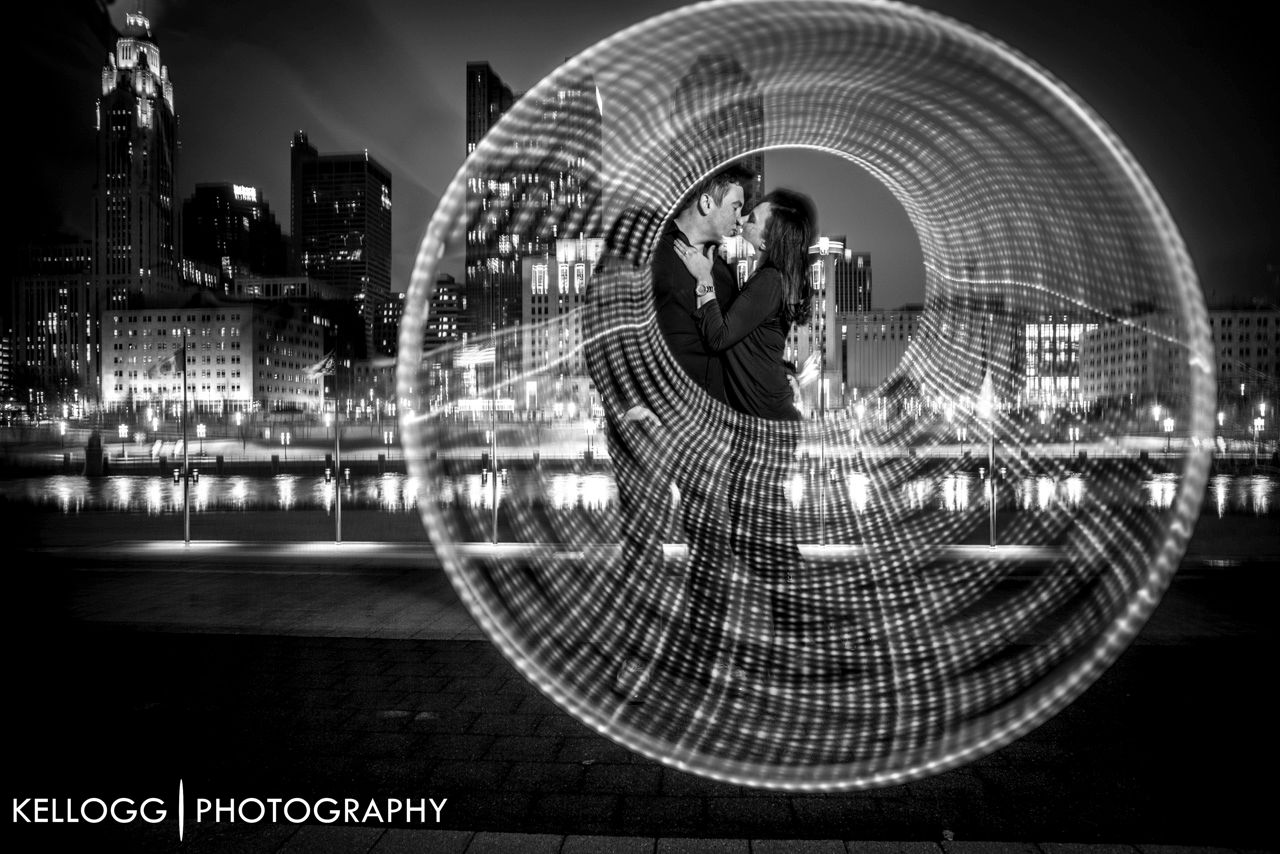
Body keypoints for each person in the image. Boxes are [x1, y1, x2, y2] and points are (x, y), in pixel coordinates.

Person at [604, 164, 754, 700]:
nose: (740, 216)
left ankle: (708, 659)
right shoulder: (641, 245)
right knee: (645, 545)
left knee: (713, 545)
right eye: (736, 205)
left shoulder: (725, 271)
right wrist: (627, 404)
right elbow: (602, 323)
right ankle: (637, 659)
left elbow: (729, 341)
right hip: (649, 423)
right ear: (708, 202)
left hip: (706, 424)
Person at [674, 187, 818, 682]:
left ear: (771, 232)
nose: (745, 221)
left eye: (753, 217)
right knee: (761, 533)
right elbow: (755, 344)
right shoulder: (766, 279)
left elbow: (718, 337)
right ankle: (794, 636)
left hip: (766, 430)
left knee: (760, 536)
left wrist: (702, 282)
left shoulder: (769, 280)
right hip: (762, 426)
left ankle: (796, 637)